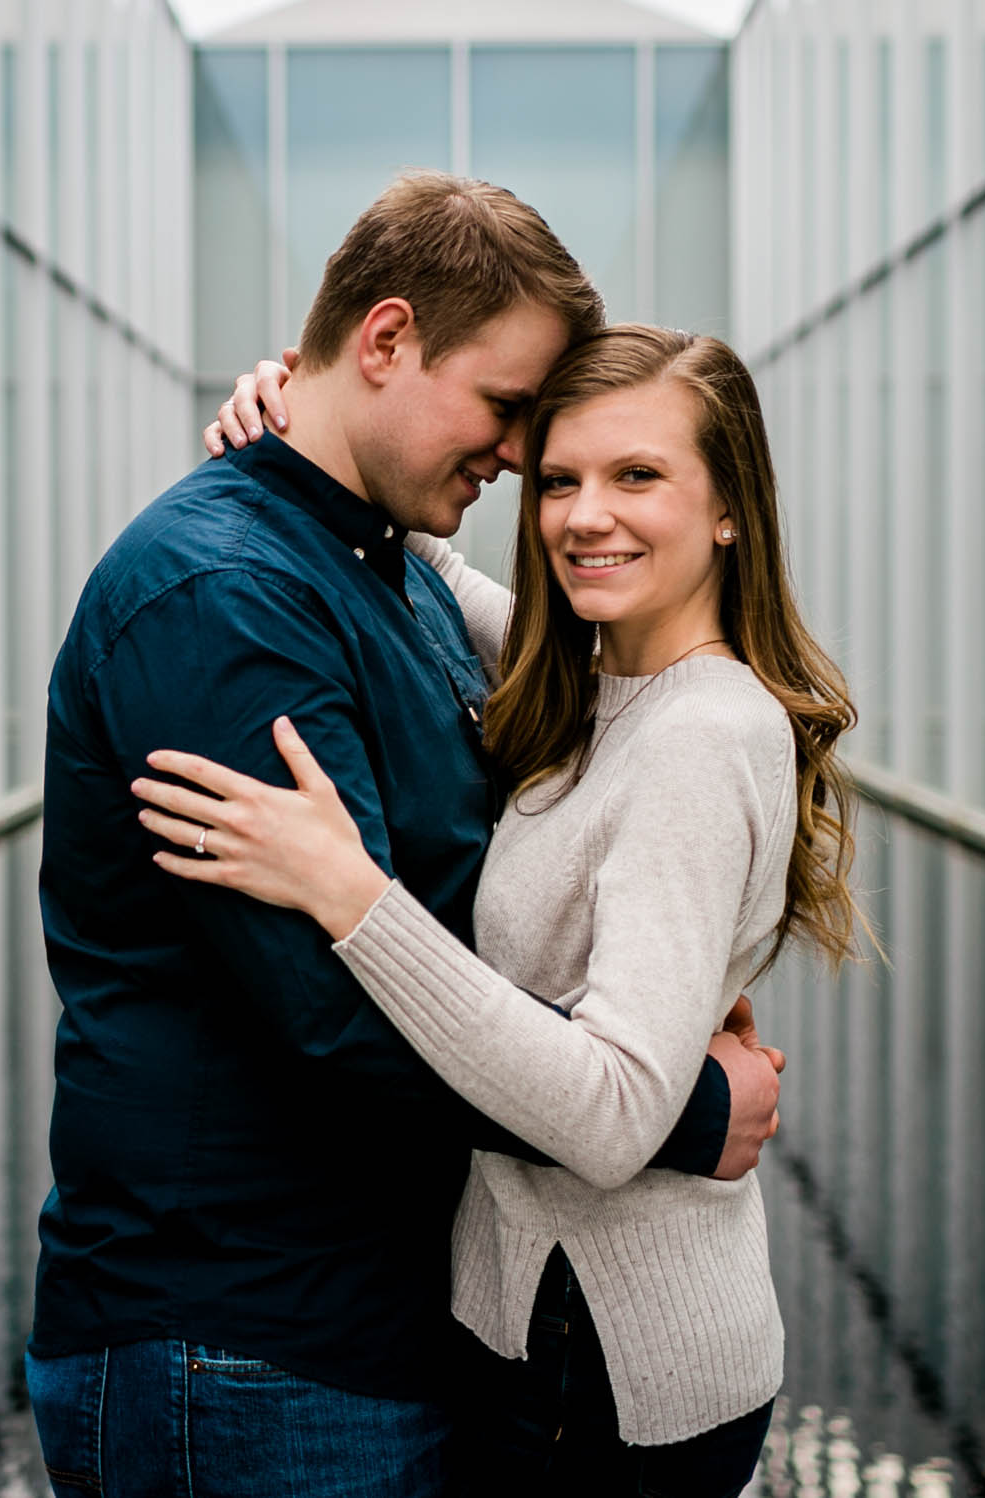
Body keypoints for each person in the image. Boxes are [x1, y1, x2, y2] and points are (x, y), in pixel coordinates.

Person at [23, 173, 787, 1498]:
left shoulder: (385, 564)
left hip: (357, 1334)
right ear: (384, 341)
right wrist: (674, 1107)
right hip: (244, 1350)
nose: (521, 471)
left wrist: (293, 413)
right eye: (511, 419)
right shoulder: (227, 599)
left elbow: (589, 694)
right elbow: (337, 1017)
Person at [144, 324, 861, 1494]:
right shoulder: (593, 682)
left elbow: (616, 1106)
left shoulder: (699, 735)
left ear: (729, 508)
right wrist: (297, 417)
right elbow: (432, 570)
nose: (587, 516)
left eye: (638, 477)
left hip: (611, 1372)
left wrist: (353, 897)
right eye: (561, 479)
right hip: (547, 1336)